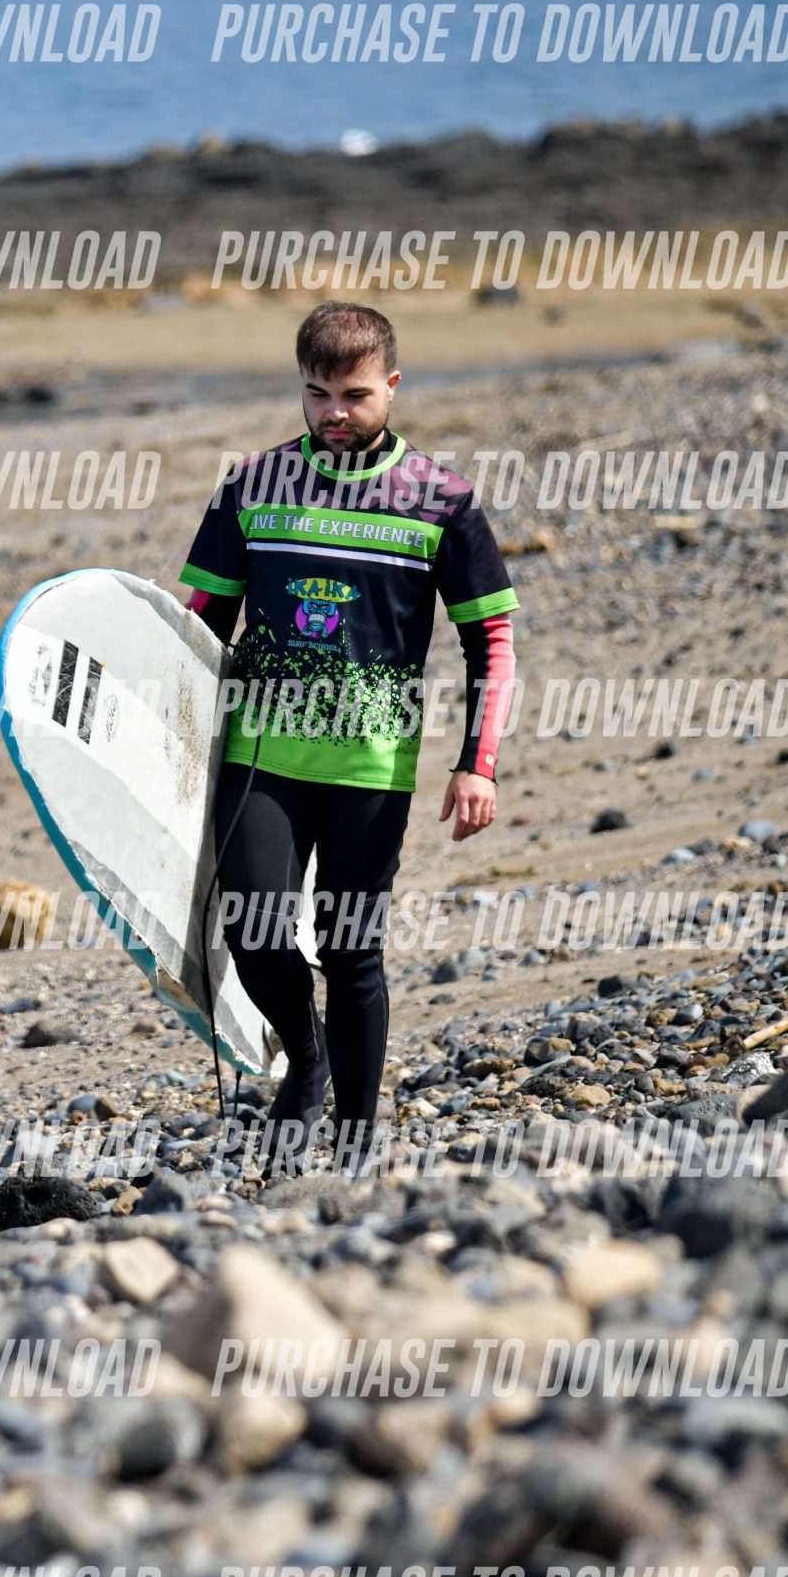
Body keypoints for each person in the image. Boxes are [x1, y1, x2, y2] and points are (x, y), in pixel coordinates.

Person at [179, 302, 520, 1177]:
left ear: (392, 387)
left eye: (355, 395)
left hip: (372, 765)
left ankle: (357, 1145)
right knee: (253, 930)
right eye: (317, 393)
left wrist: (477, 764)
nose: (334, 412)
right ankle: (307, 1055)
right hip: (262, 755)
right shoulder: (252, 487)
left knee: (351, 951)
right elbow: (199, 627)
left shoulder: (441, 501)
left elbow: (491, 640)